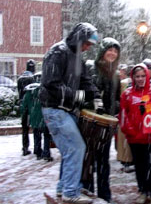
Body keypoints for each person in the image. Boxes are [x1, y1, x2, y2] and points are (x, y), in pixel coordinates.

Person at [39, 22, 100, 204]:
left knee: (69, 150)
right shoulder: (57, 52)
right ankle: (70, 192)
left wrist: (97, 99)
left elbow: (85, 80)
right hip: (55, 109)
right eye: (87, 43)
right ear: (78, 37)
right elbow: (51, 83)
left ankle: (63, 187)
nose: (88, 47)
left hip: (66, 109)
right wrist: (79, 97)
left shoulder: (77, 57)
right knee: (76, 148)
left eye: (90, 45)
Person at [82, 37, 121, 203]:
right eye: (109, 50)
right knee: (88, 161)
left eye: (115, 51)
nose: (112, 53)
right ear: (102, 51)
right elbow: (82, 92)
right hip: (90, 123)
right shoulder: (91, 68)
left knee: (104, 162)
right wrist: (92, 103)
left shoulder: (116, 74)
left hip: (107, 124)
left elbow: (117, 98)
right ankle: (88, 193)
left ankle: (105, 196)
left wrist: (115, 110)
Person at [120, 63, 151, 204]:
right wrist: (130, 131)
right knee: (139, 166)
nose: (140, 79)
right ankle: (143, 191)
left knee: (150, 165)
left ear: (147, 76)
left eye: (143, 76)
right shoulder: (127, 93)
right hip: (134, 138)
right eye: (137, 76)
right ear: (133, 77)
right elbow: (124, 115)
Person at [20, 81, 53, 161]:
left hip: (34, 118)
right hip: (44, 117)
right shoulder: (44, 92)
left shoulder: (28, 94)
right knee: (46, 136)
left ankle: (38, 152)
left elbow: (23, 107)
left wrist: (25, 115)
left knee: (37, 136)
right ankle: (46, 153)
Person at [117, 63, 134, 173]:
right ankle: (127, 161)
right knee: (125, 140)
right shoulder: (125, 84)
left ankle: (125, 160)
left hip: (125, 114)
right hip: (126, 114)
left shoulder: (124, 83)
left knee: (124, 140)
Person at [17, 59, 36, 156]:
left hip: (22, 105)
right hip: (30, 106)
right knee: (36, 127)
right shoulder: (32, 79)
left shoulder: (20, 78)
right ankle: (37, 148)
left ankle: (25, 146)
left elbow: (19, 94)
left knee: (24, 128)